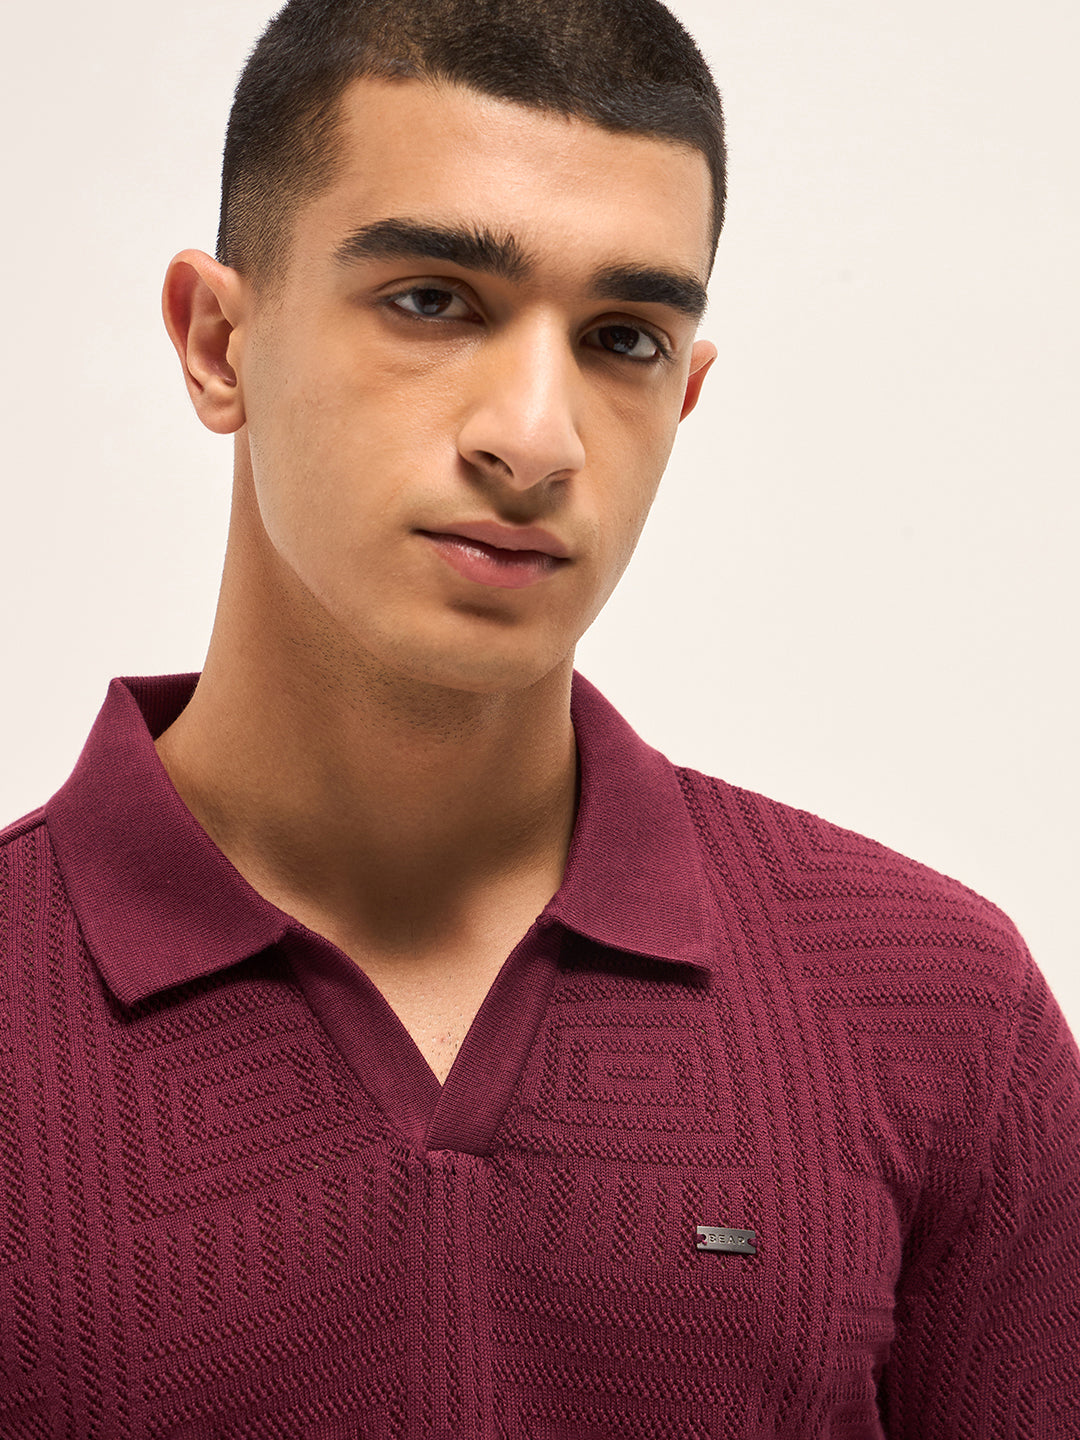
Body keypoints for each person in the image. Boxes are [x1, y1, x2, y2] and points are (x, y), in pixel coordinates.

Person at [1, 0, 1077, 1435]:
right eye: (432, 301)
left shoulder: (938, 1011)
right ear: (216, 343)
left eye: (623, 338)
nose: (534, 437)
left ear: (685, 397)